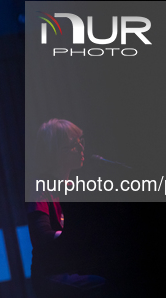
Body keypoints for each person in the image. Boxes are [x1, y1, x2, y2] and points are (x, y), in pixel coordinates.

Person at [27, 119, 113, 298]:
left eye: (81, 142)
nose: (82, 149)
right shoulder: (40, 189)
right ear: (54, 152)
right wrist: (75, 235)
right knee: (104, 286)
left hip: (75, 264)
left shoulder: (77, 187)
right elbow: (42, 234)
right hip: (52, 273)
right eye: (74, 145)